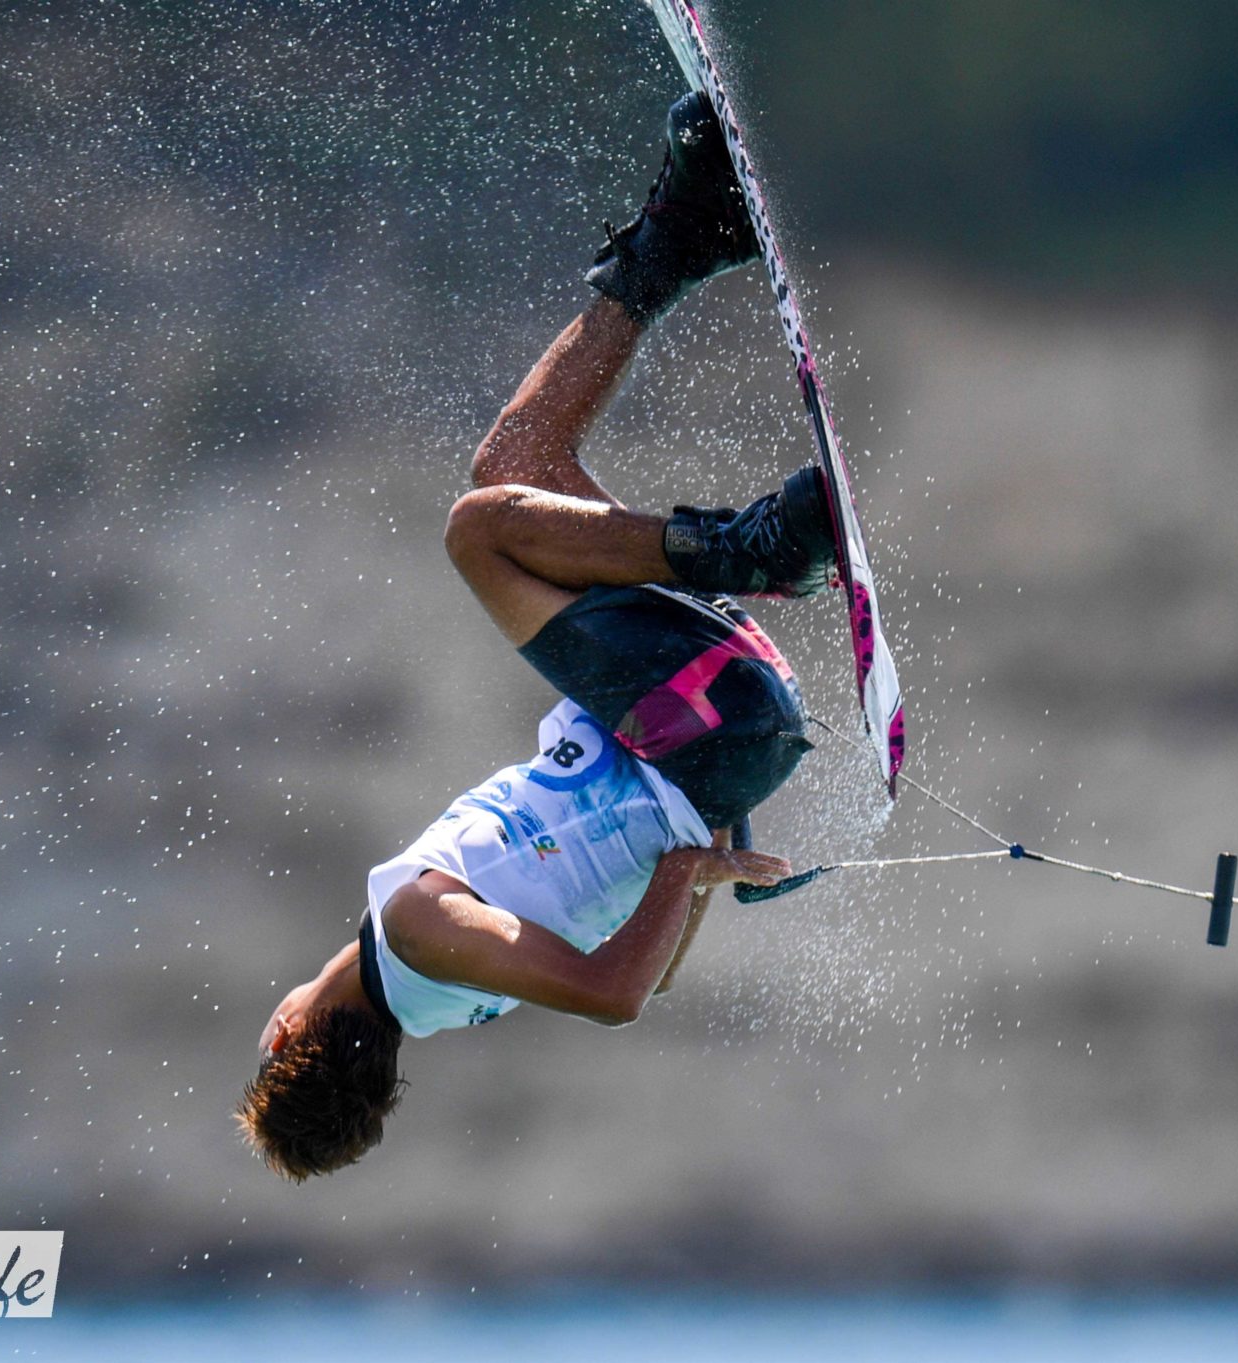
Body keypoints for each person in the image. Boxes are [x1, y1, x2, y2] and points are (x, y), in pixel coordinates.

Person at [235, 92, 840, 1181]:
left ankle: (682, 237)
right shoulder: (412, 931)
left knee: (513, 467)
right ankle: (750, 548)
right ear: (285, 1034)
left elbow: (648, 972)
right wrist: (689, 861)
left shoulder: (454, 997)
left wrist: (700, 863)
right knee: (479, 532)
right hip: (696, 721)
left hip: (715, 727)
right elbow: (617, 996)